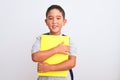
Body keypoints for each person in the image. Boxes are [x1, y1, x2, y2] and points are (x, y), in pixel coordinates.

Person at [31, 4, 77, 80]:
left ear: (64, 22)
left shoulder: (69, 40)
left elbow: (72, 63)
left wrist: (50, 68)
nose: (54, 21)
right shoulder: (40, 39)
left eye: (58, 18)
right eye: (50, 18)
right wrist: (57, 50)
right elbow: (35, 57)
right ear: (46, 22)